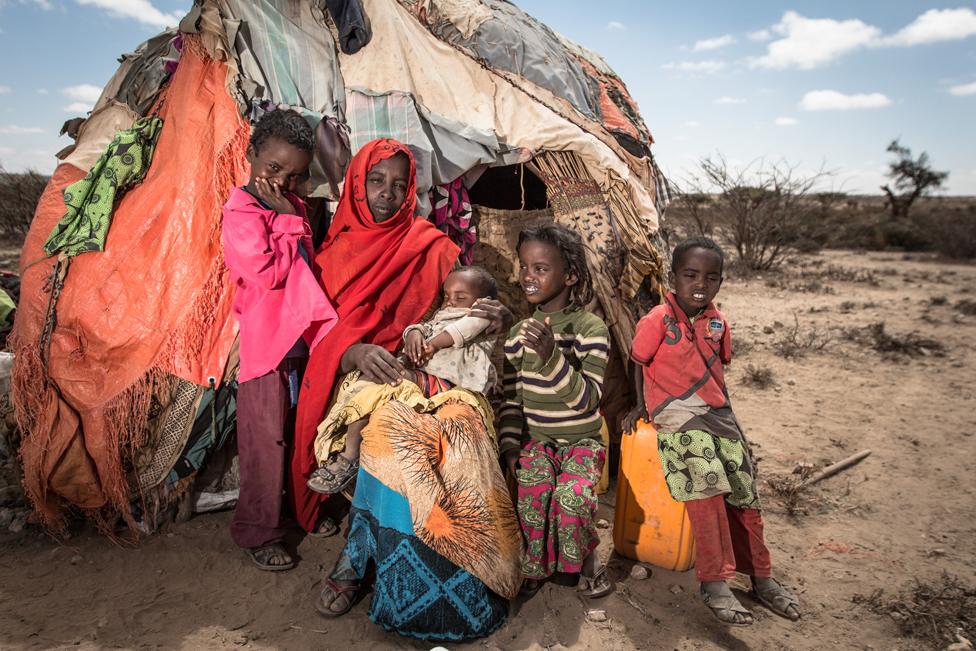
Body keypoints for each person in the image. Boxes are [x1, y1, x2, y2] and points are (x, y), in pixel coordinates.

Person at [295, 140, 518, 640]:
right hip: (376, 382)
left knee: (462, 441)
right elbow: (318, 336)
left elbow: (470, 307)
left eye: (400, 185)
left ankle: (467, 582)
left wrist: (496, 314)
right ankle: (356, 562)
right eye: (377, 181)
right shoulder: (332, 255)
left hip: (447, 382)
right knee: (386, 438)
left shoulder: (433, 247)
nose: (388, 194)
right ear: (356, 183)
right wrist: (354, 353)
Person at [624, 236, 801, 626]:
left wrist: (732, 420)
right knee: (705, 487)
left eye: (710, 277)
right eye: (690, 275)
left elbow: (717, 372)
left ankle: (761, 576)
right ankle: (714, 581)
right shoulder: (656, 321)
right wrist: (640, 405)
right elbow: (637, 362)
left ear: (720, 282)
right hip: (676, 412)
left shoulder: (718, 322)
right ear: (673, 277)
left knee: (744, 494)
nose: (699, 284)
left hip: (717, 412)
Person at [221, 109, 338, 571]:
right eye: (273, 170)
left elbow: (304, 262)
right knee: (265, 441)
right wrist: (289, 218)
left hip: (301, 342)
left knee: (301, 434)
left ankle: (299, 513)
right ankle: (258, 530)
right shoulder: (242, 210)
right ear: (251, 157)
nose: (283, 182)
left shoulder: (293, 208)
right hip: (268, 347)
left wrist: (291, 218)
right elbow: (264, 272)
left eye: (295, 176)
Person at [307, 265, 500, 494]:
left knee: (384, 379)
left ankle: (349, 457)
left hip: (451, 384)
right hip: (426, 376)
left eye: (460, 297)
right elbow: (422, 326)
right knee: (371, 383)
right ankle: (350, 451)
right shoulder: (443, 314)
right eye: (446, 296)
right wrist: (415, 334)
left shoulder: (482, 314)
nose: (449, 302)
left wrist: (431, 344)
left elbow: (460, 332)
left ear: (482, 300)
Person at [498, 223, 613, 599]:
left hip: (582, 441)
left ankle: (588, 559)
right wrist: (511, 446)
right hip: (538, 442)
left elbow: (587, 401)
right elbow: (512, 402)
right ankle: (537, 564)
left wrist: (552, 358)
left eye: (541, 269)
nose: (528, 277)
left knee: (572, 497)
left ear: (571, 275)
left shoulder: (589, 328)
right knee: (534, 491)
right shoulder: (517, 335)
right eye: (525, 267)